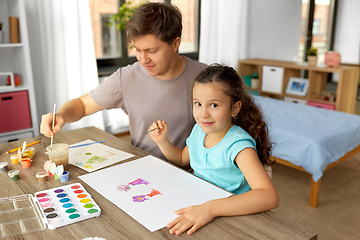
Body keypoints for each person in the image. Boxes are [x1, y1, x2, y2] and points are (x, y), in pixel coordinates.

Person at [39, 3, 207, 159]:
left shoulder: (206, 77)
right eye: (138, 50)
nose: (143, 59)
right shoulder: (127, 77)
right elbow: (83, 105)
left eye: (151, 51)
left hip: (191, 172)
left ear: (175, 44)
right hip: (142, 170)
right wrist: (61, 115)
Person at [149, 64, 279, 235]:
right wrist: (162, 141)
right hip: (200, 204)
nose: (203, 114)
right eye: (198, 103)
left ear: (235, 108)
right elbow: (182, 159)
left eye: (214, 105)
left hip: (230, 216)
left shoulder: (238, 146)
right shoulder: (199, 130)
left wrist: (210, 209)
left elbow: (269, 197)